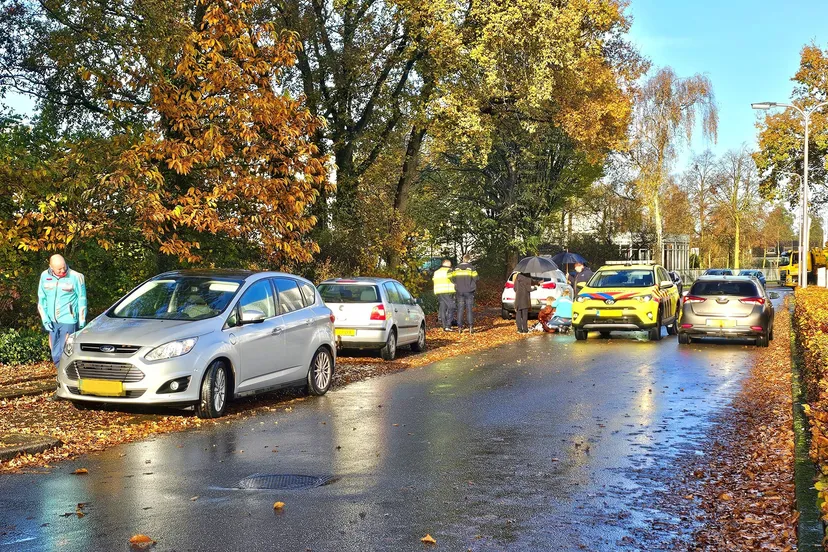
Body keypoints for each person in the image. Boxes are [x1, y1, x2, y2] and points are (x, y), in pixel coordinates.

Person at [37, 254, 87, 366]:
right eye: (59, 269)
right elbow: (42, 299)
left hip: (69, 320)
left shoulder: (76, 276)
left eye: (64, 266)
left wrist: (82, 321)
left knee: (66, 352)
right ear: (51, 267)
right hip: (52, 320)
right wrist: (45, 319)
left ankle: (66, 374)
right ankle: (59, 372)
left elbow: (82, 299)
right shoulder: (44, 276)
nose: (62, 270)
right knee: (55, 352)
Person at [452, 254, 478, 334]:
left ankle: (459, 327)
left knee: (460, 309)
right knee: (469, 309)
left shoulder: (456, 268)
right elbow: (476, 278)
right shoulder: (471, 268)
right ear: (469, 259)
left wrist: (457, 284)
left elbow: (452, 278)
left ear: (463, 259)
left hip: (459, 291)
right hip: (469, 291)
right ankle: (470, 327)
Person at [432, 259, 456, 331]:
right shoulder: (449, 271)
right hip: (447, 291)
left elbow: (434, 280)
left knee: (443, 307)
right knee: (452, 306)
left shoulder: (436, 272)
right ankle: (448, 325)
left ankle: (444, 326)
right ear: (448, 264)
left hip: (439, 291)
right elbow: (454, 280)